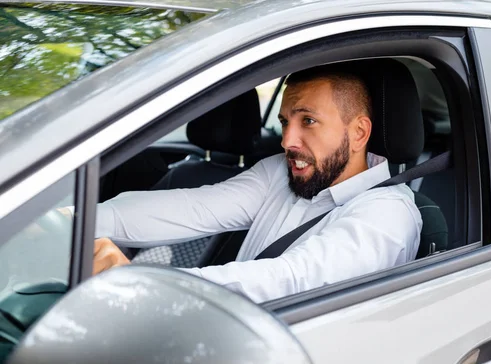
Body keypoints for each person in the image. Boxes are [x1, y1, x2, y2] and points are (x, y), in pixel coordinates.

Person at [91, 65, 423, 303]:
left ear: (359, 133)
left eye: (308, 121)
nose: (287, 141)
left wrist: (141, 282)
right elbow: (191, 208)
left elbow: (292, 280)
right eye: (284, 122)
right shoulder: (281, 173)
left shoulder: (387, 215)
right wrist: (74, 223)